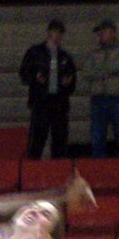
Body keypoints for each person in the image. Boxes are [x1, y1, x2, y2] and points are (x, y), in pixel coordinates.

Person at [20, 19, 77, 159]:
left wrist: (67, 82)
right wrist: (35, 77)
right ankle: (32, 170)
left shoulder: (65, 57)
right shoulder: (34, 53)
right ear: (48, 33)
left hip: (59, 104)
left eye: (59, 34)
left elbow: (73, 81)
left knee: (60, 141)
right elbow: (23, 73)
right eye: (54, 33)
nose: (56, 37)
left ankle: (58, 172)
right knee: (37, 140)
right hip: (40, 102)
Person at [81, 19, 119, 158]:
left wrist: (97, 72)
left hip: (118, 98)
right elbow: (86, 72)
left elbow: (117, 67)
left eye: (103, 31)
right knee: (97, 138)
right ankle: (100, 171)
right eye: (99, 32)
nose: (100, 35)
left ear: (112, 32)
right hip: (98, 98)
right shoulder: (94, 52)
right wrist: (106, 71)